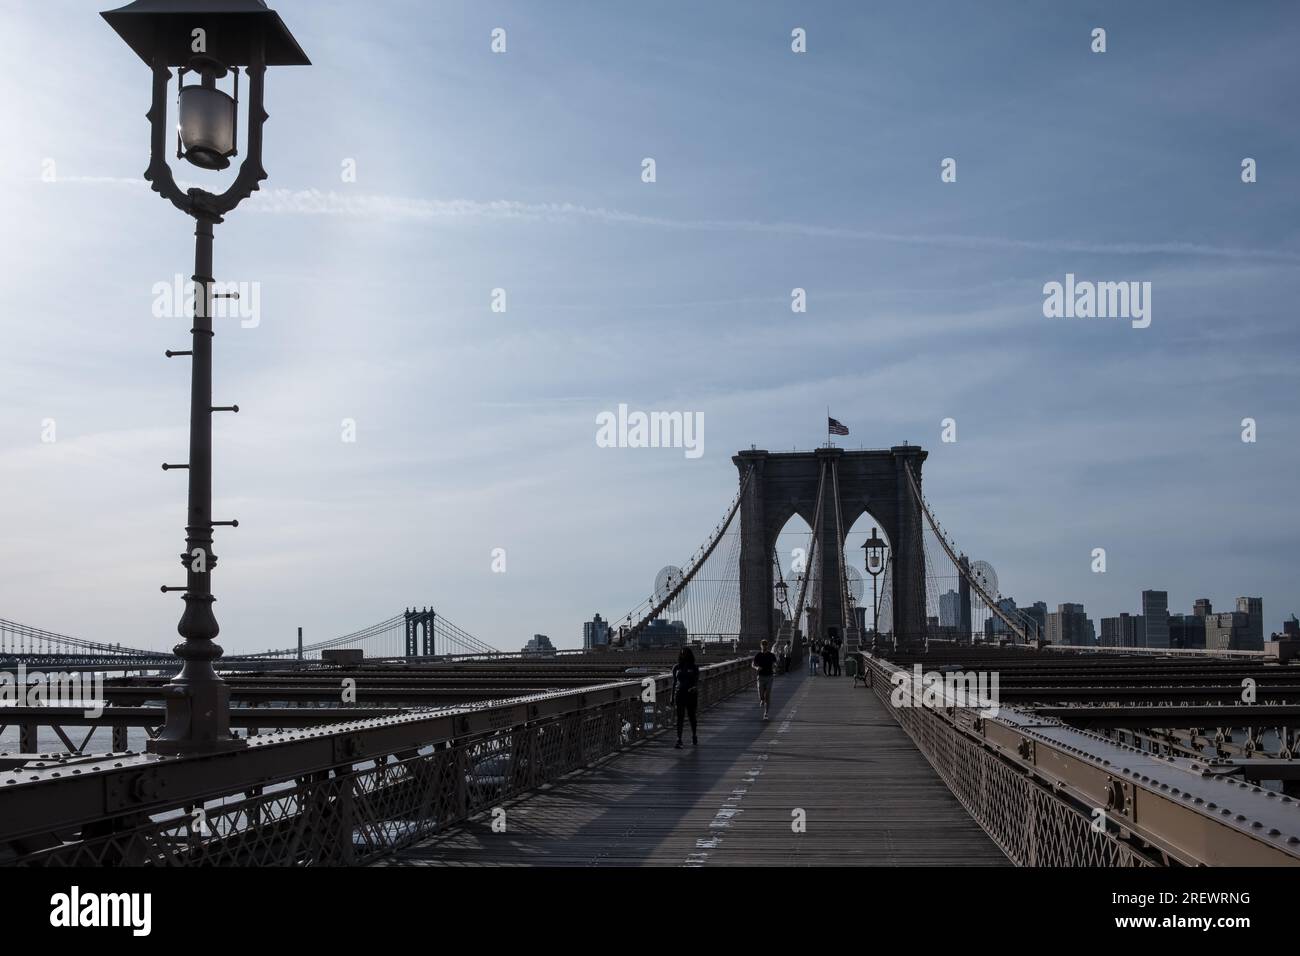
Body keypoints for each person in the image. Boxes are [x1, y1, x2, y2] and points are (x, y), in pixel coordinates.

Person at [671, 646, 700, 748]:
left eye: (685, 653)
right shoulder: (676, 667)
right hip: (680, 694)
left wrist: (694, 688)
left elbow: (696, 681)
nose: (683, 655)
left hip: (691, 694)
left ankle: (694, 735)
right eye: (682, 653)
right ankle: (679, 739)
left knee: (692, 716)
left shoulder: (694, 667)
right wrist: (671, 697)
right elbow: (674, 683)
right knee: (680, 717)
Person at [752, 639, 777, 720]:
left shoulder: (771, 655)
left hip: (769, 677)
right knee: (760, 692)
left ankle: (766, 713)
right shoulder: (758, 655)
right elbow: (753, 664)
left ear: (767, 646)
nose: (764, 646)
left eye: (765, 644)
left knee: (768, 695)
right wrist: (756, 668)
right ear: (760, 645)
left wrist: (775, 666)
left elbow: (775, 663)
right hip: (761, 677)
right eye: (763, 644)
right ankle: (761, 700)